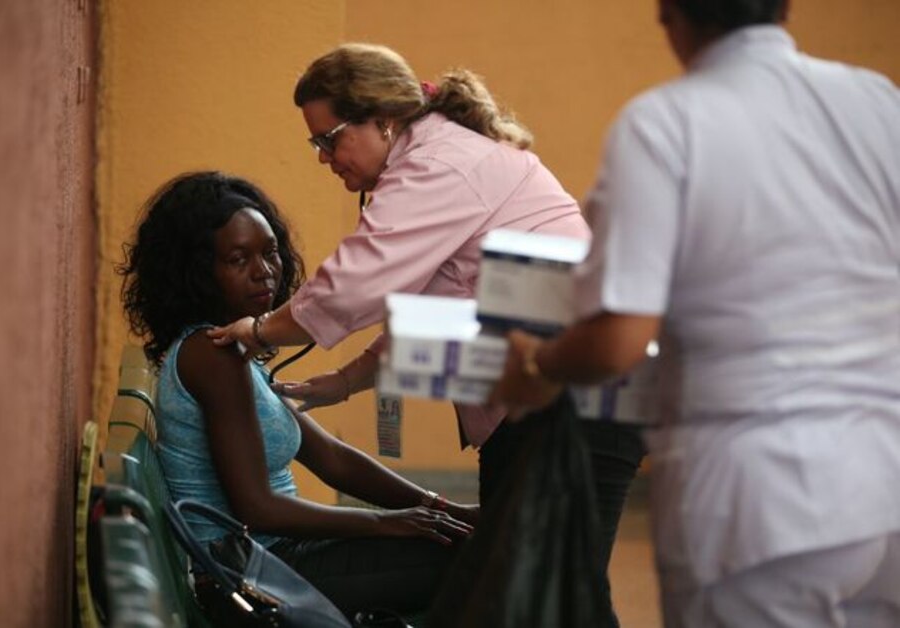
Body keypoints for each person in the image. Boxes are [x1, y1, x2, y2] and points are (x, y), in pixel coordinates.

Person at [491, 1, 900, 626]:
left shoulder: (667, 122)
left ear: (668, 16)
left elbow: (616, 342)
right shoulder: (876, 100)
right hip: (883, 474)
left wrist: (538, 365)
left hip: (764, 497)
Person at [207, 43, 643, 624]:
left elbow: (357, 280)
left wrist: (263, 331)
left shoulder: (440, 165)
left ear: (382, 120)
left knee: (548, 591)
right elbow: (422, 306)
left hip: (574, 401)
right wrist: (341, 383)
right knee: (543, 591)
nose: (323, 157)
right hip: (553, 400)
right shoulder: (431, 162)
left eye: (329, 138)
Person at [118, 171, 477, 618]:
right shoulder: (212, 357)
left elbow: (332, 458)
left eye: (270, 253)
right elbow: (258, 509)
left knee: (474, 542)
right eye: (237, 259)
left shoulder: (235, 350)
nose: (263, 272)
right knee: (481, 561)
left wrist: (443, 508)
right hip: (254, 573)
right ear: (198, 272)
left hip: (281, 557)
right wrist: (389, 523)